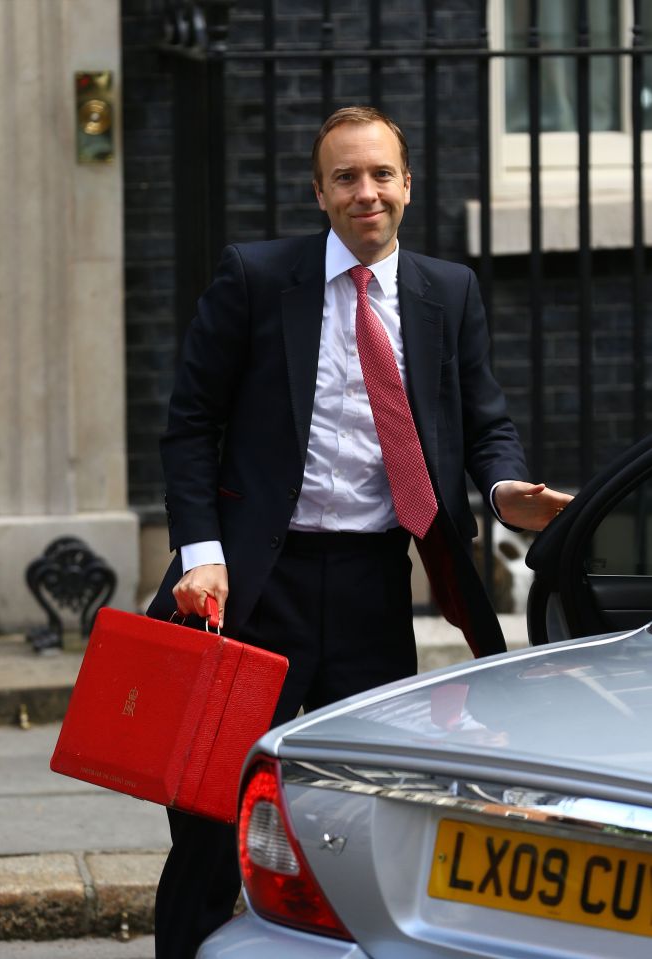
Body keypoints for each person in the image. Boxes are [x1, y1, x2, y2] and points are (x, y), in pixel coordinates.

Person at [148, 105, 572, 958]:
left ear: (407, 186)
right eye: (345, 177)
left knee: (360, 812)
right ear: (319, 192)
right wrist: (202, 556)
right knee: (208, 816)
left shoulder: (446, 292)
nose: (365, 191)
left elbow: (483, 419)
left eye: (381, 174)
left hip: (376, 587)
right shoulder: (258, 278)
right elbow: (189, 423)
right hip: (254, 589)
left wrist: (502, 489)